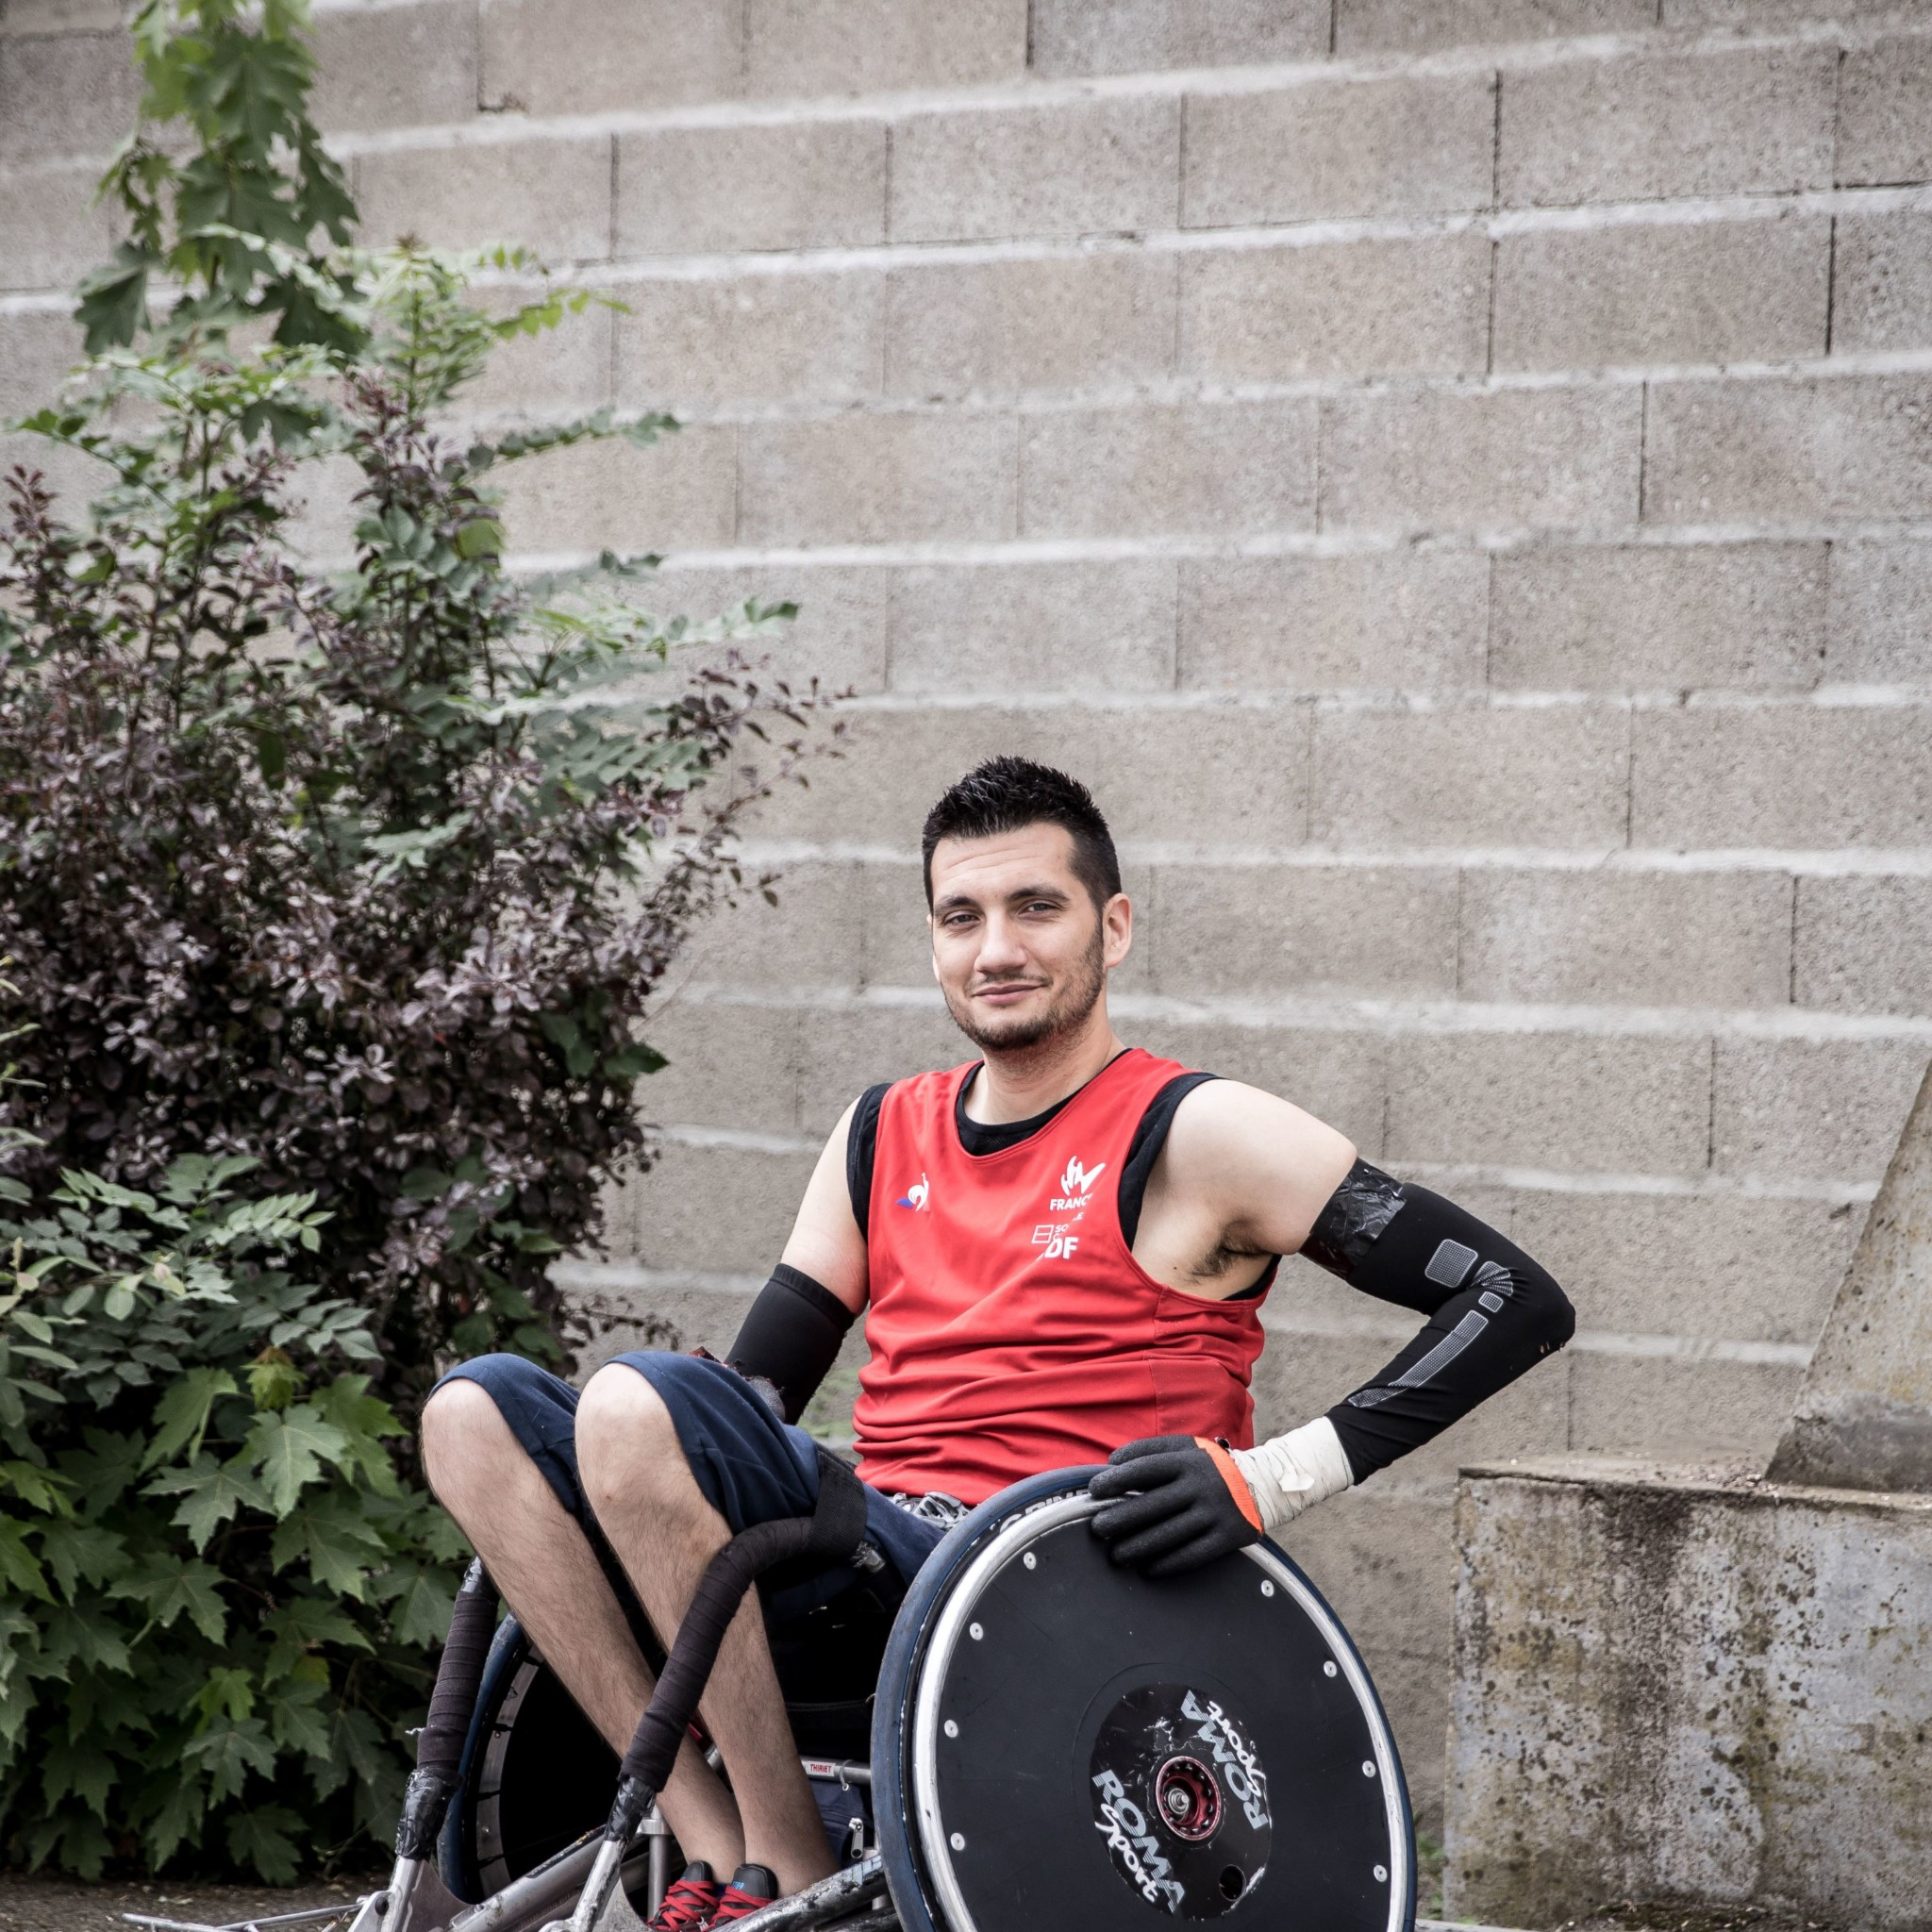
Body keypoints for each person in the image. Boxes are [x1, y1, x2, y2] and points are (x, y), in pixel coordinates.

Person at [422, 757, 1574, 1929]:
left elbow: (1510, 1298)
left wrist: (1266, 1482)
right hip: (860, 1560)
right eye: (960, 916)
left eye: (1036, 907)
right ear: (930, 940)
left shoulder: (1195, 1129)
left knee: (633, 1399)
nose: (995, 949)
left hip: (1044, 1582)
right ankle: (727, 1849)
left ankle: (787, 1859)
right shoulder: (882, 1131)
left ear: (1111, 926)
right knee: (473, 1411)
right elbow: (747, 1398)